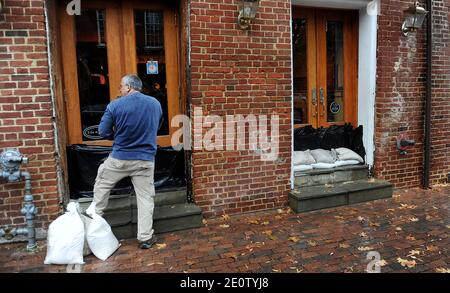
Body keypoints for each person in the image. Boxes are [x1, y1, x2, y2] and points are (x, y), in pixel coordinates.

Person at [90, 74, 162, 249]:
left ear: (129, 87)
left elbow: (103, 132)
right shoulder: (155, 104)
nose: (120, 90)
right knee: (145, 199)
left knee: (101, 190)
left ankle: (91, 228)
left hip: (119, 159)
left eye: (121, 87)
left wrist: (118, 135)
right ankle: (145, 238)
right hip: (145, 160)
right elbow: (157, 126)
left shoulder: (115, 105)